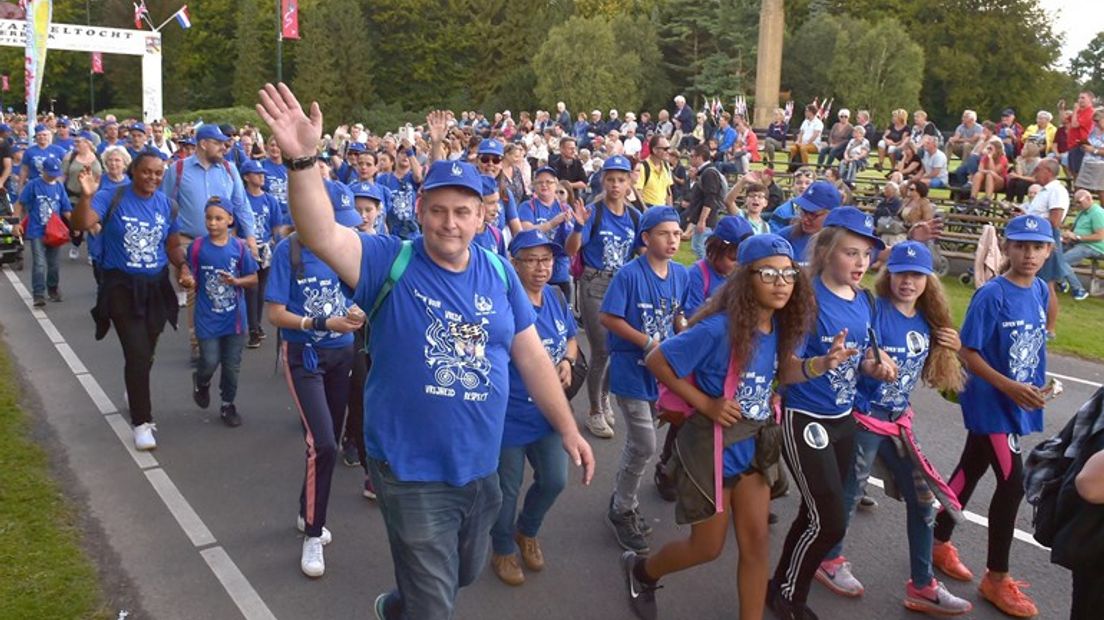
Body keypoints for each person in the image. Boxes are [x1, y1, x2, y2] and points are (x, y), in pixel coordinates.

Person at [256, 82, 593, 620]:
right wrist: (301, 159)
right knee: (437, 606)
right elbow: (321, 232)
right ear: (420, 208)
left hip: (479, 467)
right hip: (409, 469)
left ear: (482, 217)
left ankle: (399, 606)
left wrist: (569, 427)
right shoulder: (387, 260)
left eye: (463, 212)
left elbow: (529, 355)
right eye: (439, 210)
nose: (450, 223)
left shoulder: (501, 273)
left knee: (460, 572)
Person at [623, 233, 815, 620]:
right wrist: (706, 404)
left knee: (756, 544)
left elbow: (781, 371)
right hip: (712, 447)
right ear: (746, 278)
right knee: (706, 548)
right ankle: (641, 571)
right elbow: (659, 360)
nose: (781, 283)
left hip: (755, 444)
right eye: (768, 274)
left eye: (788, 274)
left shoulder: (777, 325)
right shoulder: (717, 329)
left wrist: (818, 366)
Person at [816, 241, 973, 615]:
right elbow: (847, 359)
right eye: (901, 273)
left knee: (923, 502)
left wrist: (956, 347)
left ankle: (923, 584)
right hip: (864, 418)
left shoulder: (929, 320)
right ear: (889, 275)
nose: (908, 281)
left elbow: (946, 383)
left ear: (928, 281)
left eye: (917, 275)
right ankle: (829, 560)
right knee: (850, 494)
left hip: (898, 423)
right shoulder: (872, 310)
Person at [768, 206, 898, 620]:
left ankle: (783, 587)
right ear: (826, 251)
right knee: (830, 521)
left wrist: (873, 370)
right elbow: (785, 370)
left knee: (816, 513)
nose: (861, 262)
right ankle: (787, 594)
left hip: (843, 419)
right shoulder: (806, 300)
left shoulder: (864, 300)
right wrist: (821, 364)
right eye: (851, 252)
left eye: (866, 254)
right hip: (805, 416)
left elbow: (859, 362)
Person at [932, 214, 1055, 619]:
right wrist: (1009, 386)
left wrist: (1038, 383)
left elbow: (1030, 344)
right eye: (1021, 246)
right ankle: (996, 578)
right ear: (1008, 247)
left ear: (1049, 250)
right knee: (1012, 482)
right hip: (991, 402)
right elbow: (968, 352)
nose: (1030, 254)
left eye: (1038, 247)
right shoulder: (992, 295)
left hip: (1014, 398)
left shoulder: (1038, 289)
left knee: (971, 468)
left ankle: (937, 540)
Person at [266, 189, 364, 579]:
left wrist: (358, 310)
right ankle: (312, 532)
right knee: (322, 443)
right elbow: (275, 313)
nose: (338, 228)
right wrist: (320, 323)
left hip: (343, 355)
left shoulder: (348, 248)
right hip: (304, 358)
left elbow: (363, 291)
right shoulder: (286, 253)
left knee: (328, 441)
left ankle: (305, 507)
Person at [70, 151, 186, 451]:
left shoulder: (167, 205)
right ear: (134, 171)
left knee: (145, 352)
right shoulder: (112, 196)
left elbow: (172, 243)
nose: (153, 178)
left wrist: (184, 268)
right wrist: (86, 196)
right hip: (121, 286)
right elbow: (81, 223)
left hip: (155, 287)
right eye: (147, 172)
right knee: (136, 352)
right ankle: (142, 422)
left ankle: (134, 387)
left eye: (159, 173)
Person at [490, 230, 579, 586]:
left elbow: (571, 338)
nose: (542, 268)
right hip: (510, 415)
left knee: (555, 479)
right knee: (506, 492)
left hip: (548, 414)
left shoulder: (556, 297)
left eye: (547, 260)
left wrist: (569, 361)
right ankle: (502, 548)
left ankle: (527, 531)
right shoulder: (504, 305)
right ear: (514, 264)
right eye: (532, 259)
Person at [600, 206, 689, 554]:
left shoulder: (681, 275)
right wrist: (647, 341)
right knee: (645, 445)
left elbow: (678, 314)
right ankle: (621, 507)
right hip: (631, 367)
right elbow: (609, 317)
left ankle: (625, 497)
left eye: (677, 233)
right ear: (646, 238)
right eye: (664, 233)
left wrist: (683, 334)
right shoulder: (629, 275)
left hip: (662, 371)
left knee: (640, 443)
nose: (672, 239)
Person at [565, 155, 643, 440]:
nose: (615, 185)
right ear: (602, 181)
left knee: (621, 349)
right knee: (602, 350)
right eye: (610, 179)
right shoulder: (593, 213)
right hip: (594, 285)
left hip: (623, 287)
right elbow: (572, 249)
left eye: (621, 180)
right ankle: (595, 410)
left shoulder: (635, 216)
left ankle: (605, 394)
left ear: (629, 182)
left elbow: (641, 253)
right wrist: (576, 227)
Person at [186, 197, 259, 427]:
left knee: (232, 365)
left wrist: (236, 281)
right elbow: (188, 271)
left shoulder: (238, 247)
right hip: (207, 317)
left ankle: (228, 403)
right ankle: (202, 381)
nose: (213, 223)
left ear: (230, 220)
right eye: (208, 218)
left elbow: (253, 279)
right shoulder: (197, 247)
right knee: (209, 360)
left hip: (235, 319)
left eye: (218, 218)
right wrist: (186, 277)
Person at [12, 155, 72, 306]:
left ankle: (53, 288)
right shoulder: (33, 185)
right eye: (50, 173)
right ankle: (38, 294)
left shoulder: (59, 187)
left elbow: (66, 209)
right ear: (44, 171)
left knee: (53, 264)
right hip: (37, 230)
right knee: (39, 263)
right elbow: (20, 203)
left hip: (54, 231)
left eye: (55, 174)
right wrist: (16, 223)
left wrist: (75, 225)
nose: (53, 177)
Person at [240, 160, 287, 348]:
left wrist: (275, 245)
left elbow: (277, 228)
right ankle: (252, 328)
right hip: (245, 248)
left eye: (262, 173)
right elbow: (234, 228)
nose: (261, 176)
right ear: (246, 177)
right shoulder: (241, 199)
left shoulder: (270, 200)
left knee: (260, 290)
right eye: (256, 173)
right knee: (250, 289)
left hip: (265, 249)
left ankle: (256, 325)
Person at [1024, 159, 1069, 336]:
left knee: (1047, 284)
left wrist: (1033, 223)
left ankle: (1050, 329)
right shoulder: (1045, 191)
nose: (1035, 172)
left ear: (1048, 171)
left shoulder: (1056, 191)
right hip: (1036, 237)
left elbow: (1055, 221)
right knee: (1034, 283)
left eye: (1039, 169)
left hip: (1045, 239)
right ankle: (1035, 320)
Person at [518, 167, 574, 300]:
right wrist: (552, 223)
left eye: (549, 182)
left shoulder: (565, 208)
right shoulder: (527, 206)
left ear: (556, 184)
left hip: (560, 271)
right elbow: (526, 231)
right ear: (534, 185)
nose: (544, 185)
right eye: (540, 182)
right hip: (534, 271)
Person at [778, 179, 841, 266]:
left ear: (832, 214)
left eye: (813, 215)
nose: (805, 219)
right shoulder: (784, 238)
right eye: (803, 211)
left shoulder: (842, 242)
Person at [1056, 189, 1104, 301]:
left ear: (1089, 199)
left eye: (1079, 202)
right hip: (1079, 242)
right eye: (1076, 202)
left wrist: (1077, 237)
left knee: (1062, 261)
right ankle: (1061, 281)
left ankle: (1079, 289)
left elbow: (1100, 236)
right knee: (1054, 252)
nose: (1077, 205)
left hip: (1095, 246)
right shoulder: (1082, 212)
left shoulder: (1097, 213)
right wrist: (1068, 237)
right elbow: (1074, 230)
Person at [683, 144, 727, 260]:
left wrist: (702, 220)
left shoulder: (709, 173)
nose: (690, 159)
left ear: (700, 157)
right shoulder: (706, 172)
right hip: (704, 217)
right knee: (699, 246)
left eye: (692, 156)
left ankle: (706, 271)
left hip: (707, 219)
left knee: (699, 247)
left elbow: (710, 198)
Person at [767, 167, 815, 233]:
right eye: (799, 183)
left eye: (807, 183)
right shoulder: (781, 212)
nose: (803, 186)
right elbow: (775, 237)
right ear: (792, 186)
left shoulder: (821, 212)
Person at [1063, 90, 1096, 179]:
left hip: (1080, 144)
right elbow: (1065, 120)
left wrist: (1075, 110)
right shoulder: (1079, 112)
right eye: (1079, 98)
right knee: (1073, 170)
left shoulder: (1090, 112)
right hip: (1072, 145)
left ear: (1090, 99)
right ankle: (1077, 189)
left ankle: (1081, 190)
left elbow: (1074, 124)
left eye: (1083, 98)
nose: (1080, 100)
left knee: (1079, 172)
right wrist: (1061, 109)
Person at [635, 135, 673, 208]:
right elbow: (638, 192)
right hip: (649, 208)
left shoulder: (666, 166)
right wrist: (645, 210)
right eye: (665, 149)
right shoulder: (643, 167)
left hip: (663, 208)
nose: (668, 151)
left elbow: (668, 191)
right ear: (655, 150)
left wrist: (670, 210)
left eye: (669, 148)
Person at [789, 104, 823, 170]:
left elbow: (815, 135)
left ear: (811, 112)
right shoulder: (805, 122)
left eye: (806, 111)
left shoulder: (818, 123)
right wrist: (798, 141)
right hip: (803, 143)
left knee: (803, 148)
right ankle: (792, 167)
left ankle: (806, 168)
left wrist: (806, 143)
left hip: (814, 144)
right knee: (793, 148)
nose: (805, 112)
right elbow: (801, 133)